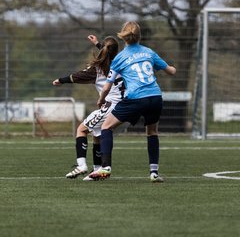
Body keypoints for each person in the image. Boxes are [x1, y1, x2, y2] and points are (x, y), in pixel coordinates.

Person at [88, 21, 176, 183]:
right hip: (155, 97)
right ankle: (154, 173)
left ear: (123, 37)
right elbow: (171, 71)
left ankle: (105, 167)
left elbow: (106, 87)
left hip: (136, 98)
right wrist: (170, 67)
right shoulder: (149, 52)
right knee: (152, 132)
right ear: (139, 36)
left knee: (106, 127)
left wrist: (101, 99)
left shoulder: (120, 58)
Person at [52, 34, 124, 180]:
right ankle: (97, 170)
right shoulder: (121, 62)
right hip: (126, 108)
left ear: (103, 50)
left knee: (81, 129)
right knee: (96, 134)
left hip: (111, 107)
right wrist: (98, 43)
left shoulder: (97, 69)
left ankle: (81, 165)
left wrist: (60, 80)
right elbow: (109, 54)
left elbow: (77, 76)